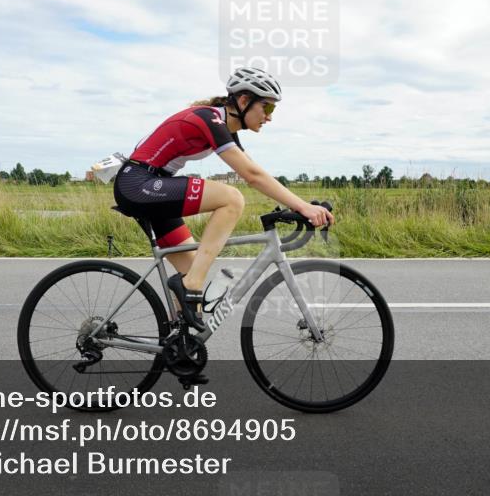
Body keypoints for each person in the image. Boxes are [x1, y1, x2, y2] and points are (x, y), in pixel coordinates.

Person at [113, 67, 334, 332]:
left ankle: (181, 350)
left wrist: (298, 204)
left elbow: (255, 172)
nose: (269, 117)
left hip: (153, 186)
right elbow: (252, 176)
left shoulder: (224, 129)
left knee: (193, 269)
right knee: (232, 199)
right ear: (243, 101)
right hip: (139, 183)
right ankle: (190, 286)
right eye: (267, 108)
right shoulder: (210, 120)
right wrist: (303, 207)